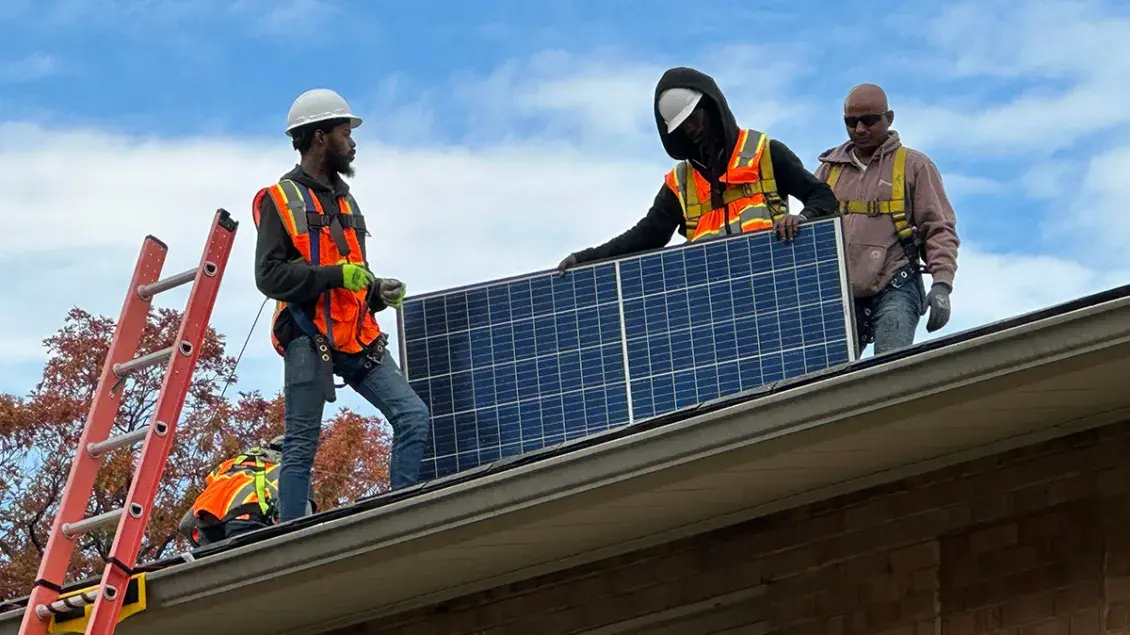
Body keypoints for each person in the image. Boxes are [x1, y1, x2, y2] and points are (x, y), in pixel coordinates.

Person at [251, 88, 431, 523]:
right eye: (344, 132)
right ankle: (291, 538)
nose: (352, 142)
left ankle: (400, 514)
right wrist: (334, 277)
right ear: (319, 137)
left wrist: (376, 291)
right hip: (309, 335)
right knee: (301, 446)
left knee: (414, 416)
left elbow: (353, 276)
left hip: (358, 334)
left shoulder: (345, 201)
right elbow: (269, 277)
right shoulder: (281, 199)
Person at [557, 66, 838, 272]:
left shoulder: (765, 153)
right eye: (682, 127)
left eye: (694, 119)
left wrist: (803, 218)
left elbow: (822, 196)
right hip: (712, 300)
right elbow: (646, 236)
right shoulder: (680, 183)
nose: (690, 130)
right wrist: (585, 258)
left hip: (774, 282)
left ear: (711, 108)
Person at [814, 83, 960, 355]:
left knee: (889, 372)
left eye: (869, 120)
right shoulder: (829, 170)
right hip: (841, 293)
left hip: (896, 284)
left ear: (888, 118)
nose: (859, 129)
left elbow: (938, 228)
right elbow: (809, 227)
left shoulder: (914, 165)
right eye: (851, 122)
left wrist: (941, 284)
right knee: (829, 380)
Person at [177, 437, 316, 546]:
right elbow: (301, 513)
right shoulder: (288, 469)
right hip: (244, 522)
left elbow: (185, 525)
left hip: (207, 528)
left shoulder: (228, 467)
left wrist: (206, 551)